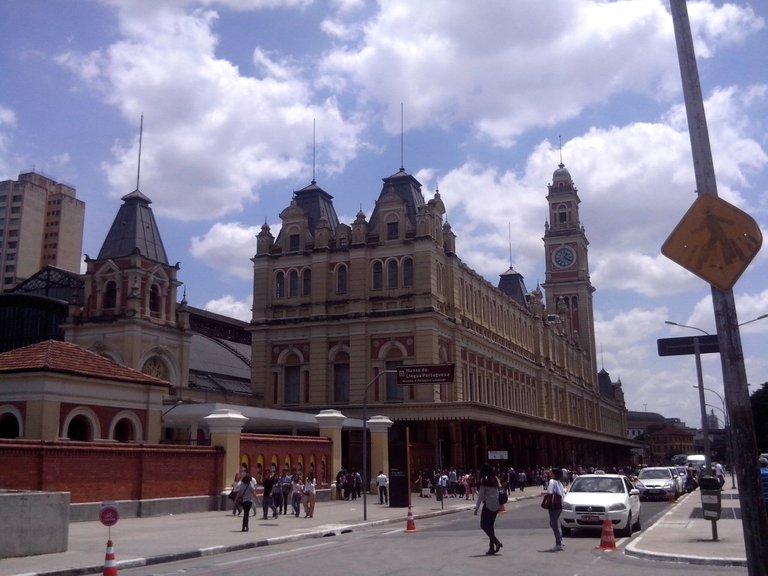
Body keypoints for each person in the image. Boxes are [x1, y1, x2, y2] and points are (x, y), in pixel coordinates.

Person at [474, 463, 502, 555]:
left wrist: (477, 508)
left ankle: (496, 542)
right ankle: (491, 547)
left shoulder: (484, 480)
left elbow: (481, 496)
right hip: (497, 504)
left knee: (483, 525)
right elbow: (500, 488)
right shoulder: (496, 479)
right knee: (490, 526)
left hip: (488, 505)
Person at [545, 468, 567, 552]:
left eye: (551, 472)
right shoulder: (559, 483)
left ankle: (558, 544)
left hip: (553, 505)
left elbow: (550, 492)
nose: (549, 473)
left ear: (554, 474)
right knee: (553, 523)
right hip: (560, 505)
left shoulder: (551, 481)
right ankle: (560, 539)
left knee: (554, 524)